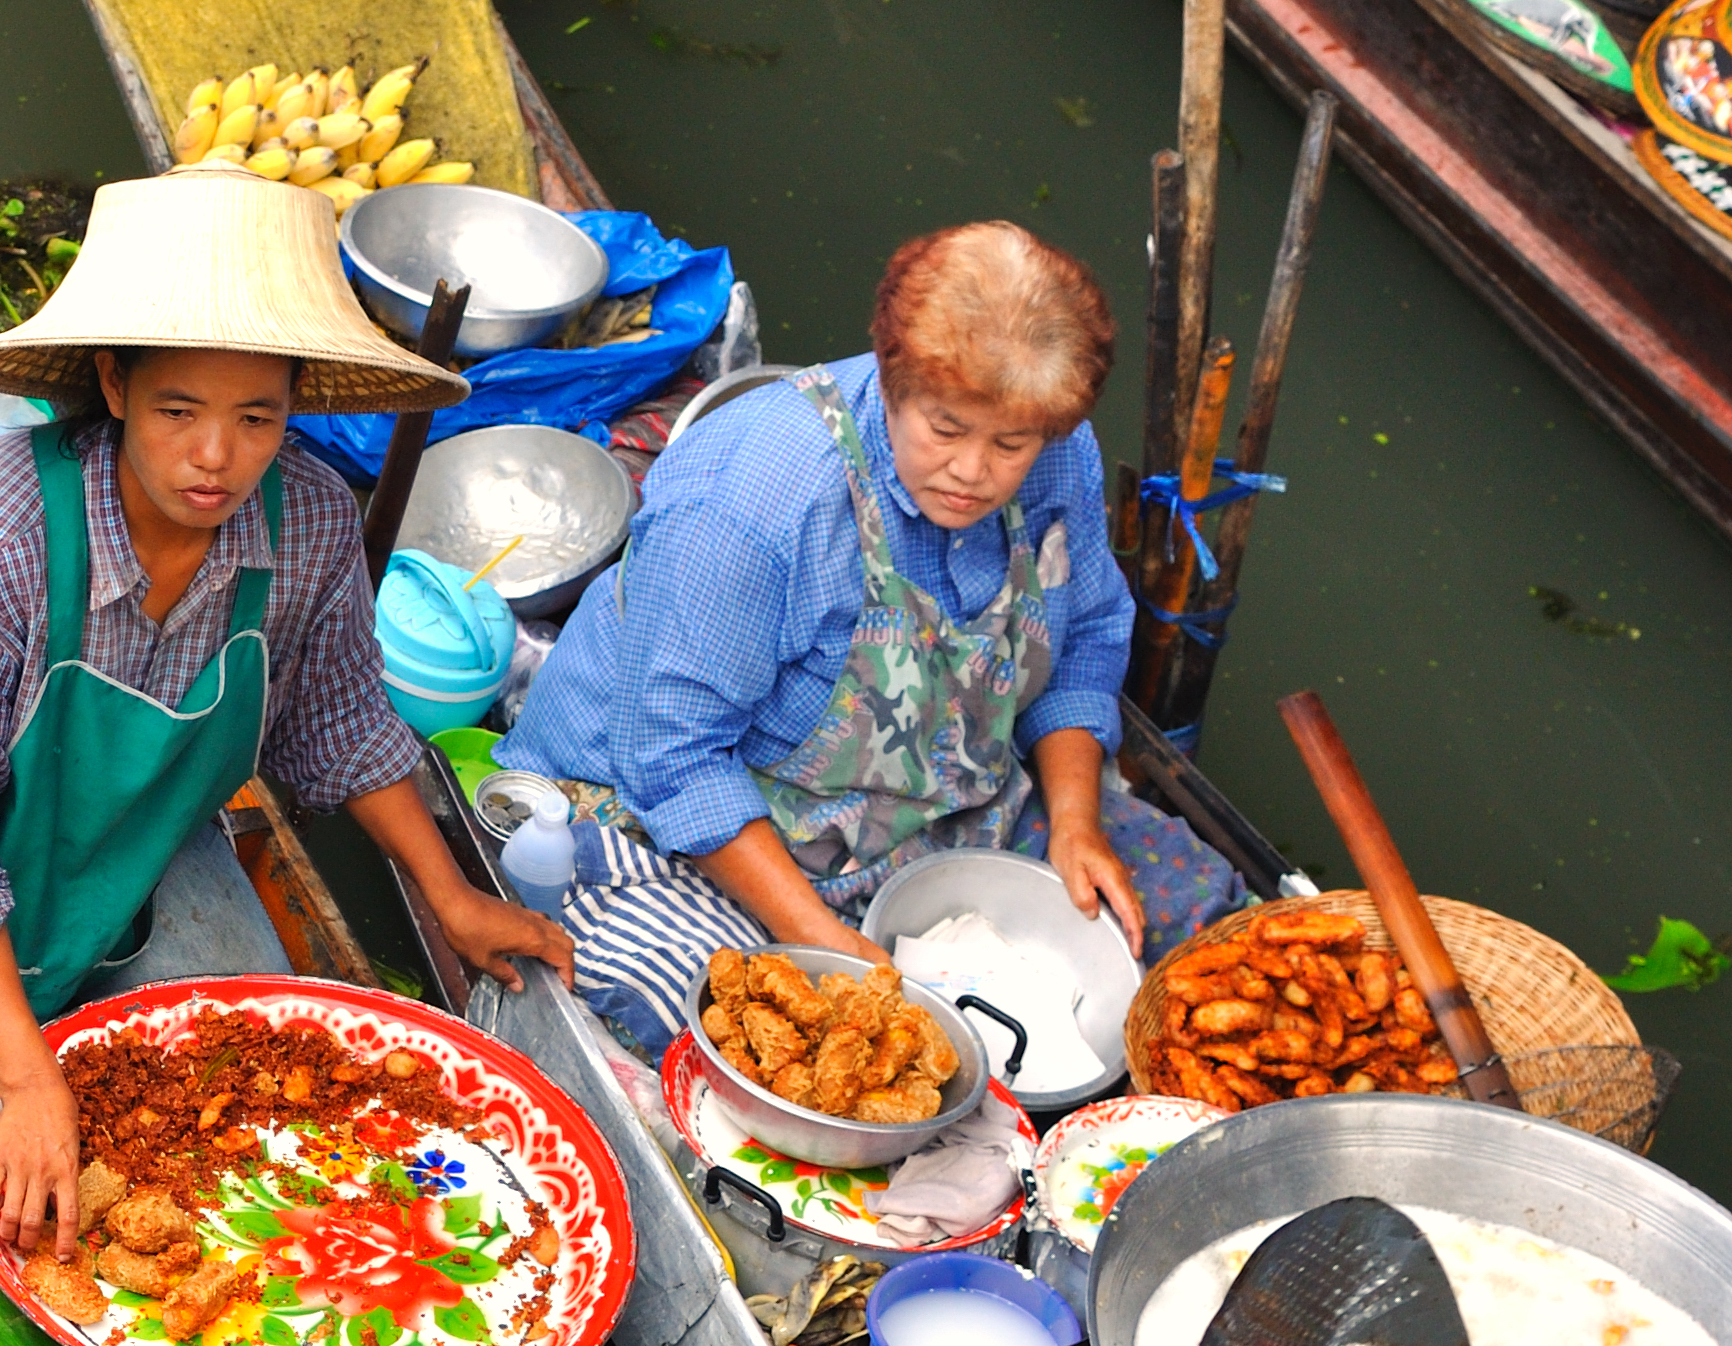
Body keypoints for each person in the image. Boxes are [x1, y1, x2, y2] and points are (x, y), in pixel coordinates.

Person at [0, 167, 574, 1256]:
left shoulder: (315, 526)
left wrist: (450, 895)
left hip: (116, 811)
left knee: (234, 1091)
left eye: (256, 418)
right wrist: (29, 1075)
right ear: (115, 384)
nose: (215, 457)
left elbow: (338, 728)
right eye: (179, 411)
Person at [493, 219, 1248, 1051]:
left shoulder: (1057, 450)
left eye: (1010, 444)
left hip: (932, 799)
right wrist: (822, 941)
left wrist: (1075, 821)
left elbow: (1089, 634)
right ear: (892, 381)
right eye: (946, 429)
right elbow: (674, 758)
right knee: (752, 1037)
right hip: (664, 820)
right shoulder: (751, 502)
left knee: (1203, 918)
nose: (973, 472)